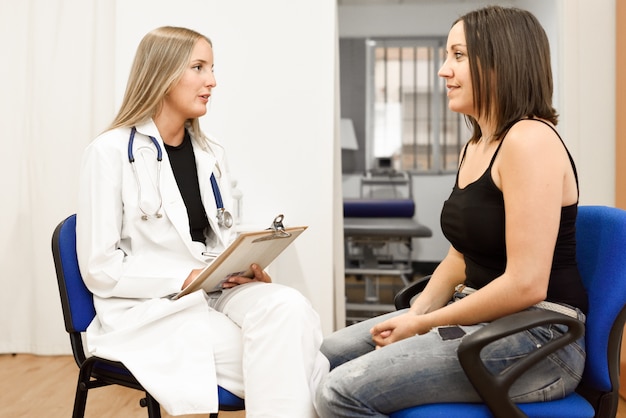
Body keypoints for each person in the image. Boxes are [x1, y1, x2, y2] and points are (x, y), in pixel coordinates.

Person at [315, 6, 587, 417]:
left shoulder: (531, 141)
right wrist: (418, 312)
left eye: (458, 56)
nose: (443, 70)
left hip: (540, 338)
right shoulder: (475, 145)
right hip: (483, 318)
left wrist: (423, 325)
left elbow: (526, 285)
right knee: (326, 354)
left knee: (338, 392)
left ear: (502, 62)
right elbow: (461, 257)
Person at [76, 26, 328, 417]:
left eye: (211, 68)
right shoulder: (108, 153)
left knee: (289, 307)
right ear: (162, 73)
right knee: (293, 358)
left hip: (215, 289)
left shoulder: (209, 154)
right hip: (151, 305)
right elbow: (99, 269)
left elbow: (215, 237)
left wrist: (243, 267)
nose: (212, 81)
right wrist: (182, 279)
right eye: (198, 67)